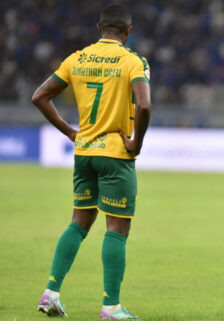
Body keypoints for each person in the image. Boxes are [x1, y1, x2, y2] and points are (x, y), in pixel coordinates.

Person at [32, 4, 151, 320]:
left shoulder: (76, 58)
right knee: (117, 228)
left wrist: (71, 132)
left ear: (99, 29)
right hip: (115, 153)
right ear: (128, 31)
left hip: (84, 151)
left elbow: (39, 96)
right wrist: (136, 143)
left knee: (79, 222)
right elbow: (146, 104)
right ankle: (111, 307)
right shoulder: (132, 61)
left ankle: (50, 294)